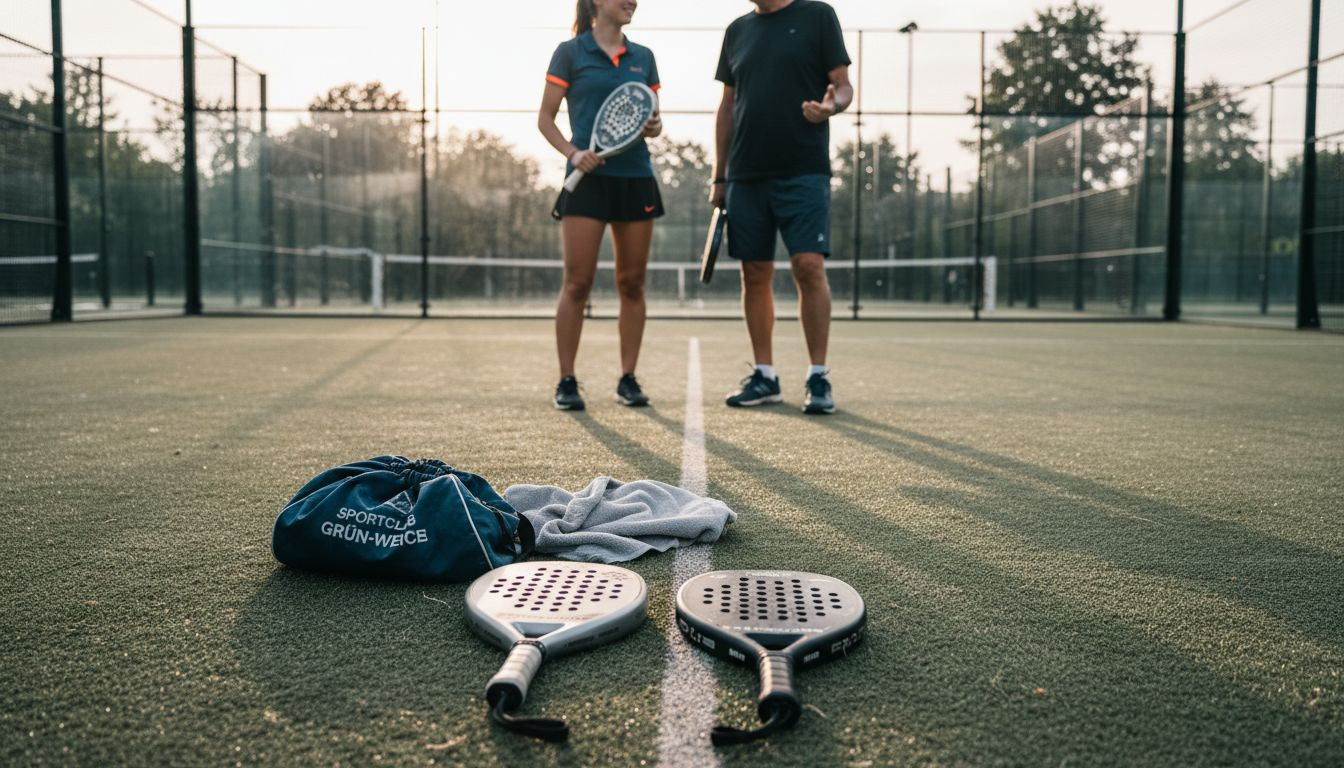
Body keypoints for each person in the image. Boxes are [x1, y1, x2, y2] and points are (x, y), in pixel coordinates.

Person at [711, 0, 852, 414]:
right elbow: (727, 106)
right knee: (753, 272)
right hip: (745, 174)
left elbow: (844, 86)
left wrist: (832, 107)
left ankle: (818, 376)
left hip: (803, 171)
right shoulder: (737, 31)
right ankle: (765, 376)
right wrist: (719, 175)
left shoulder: (818, 16)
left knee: (808, 266)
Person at [538, 0, 664, 411]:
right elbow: (545, 119)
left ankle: (628, 379)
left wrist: (655, 126)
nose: (632, 1)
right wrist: (573, 154)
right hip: (587, 183)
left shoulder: (644, 57)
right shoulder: (569, 53)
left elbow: (653, 120)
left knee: (632, 283)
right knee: (577, 283)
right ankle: (566, 381)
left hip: (636, 180)